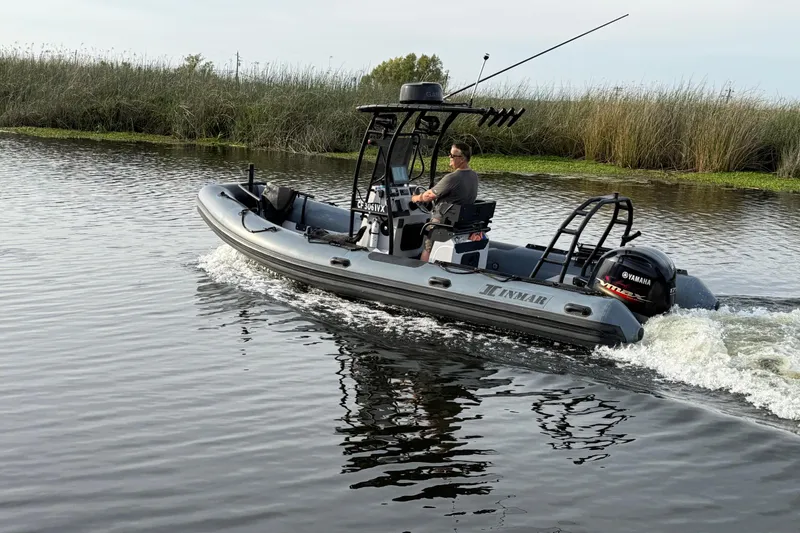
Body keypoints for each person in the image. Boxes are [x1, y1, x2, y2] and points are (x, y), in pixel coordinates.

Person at [410, 142, 479, 262]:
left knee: (427, 245)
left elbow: (429, 196)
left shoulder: (453, 178)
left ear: (462, 159)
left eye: (452, 155)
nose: (449, 157)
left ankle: (421, 267)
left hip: (444, 222)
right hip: (461, 222)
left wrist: (415, 198)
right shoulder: (474, 176)